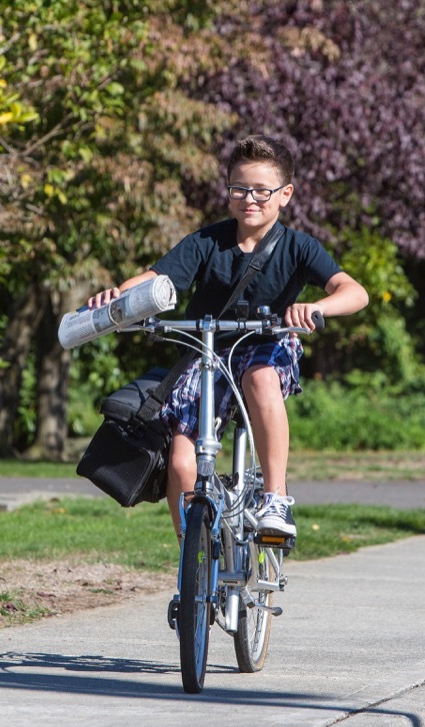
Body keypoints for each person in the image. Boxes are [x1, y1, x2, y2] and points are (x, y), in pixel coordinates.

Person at [86, 135, 369, 548]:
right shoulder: (207, 242)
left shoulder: (298, 247)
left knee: (259, 378)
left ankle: (274, 499)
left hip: (265, 346)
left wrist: (317, 308)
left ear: (285, 195)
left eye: (261, 190)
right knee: (182, 465)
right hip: (206, 355)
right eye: (239, 188)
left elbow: (354, 291)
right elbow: (156, 278)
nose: (249, 199)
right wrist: (119, 294)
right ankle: (194, 563)